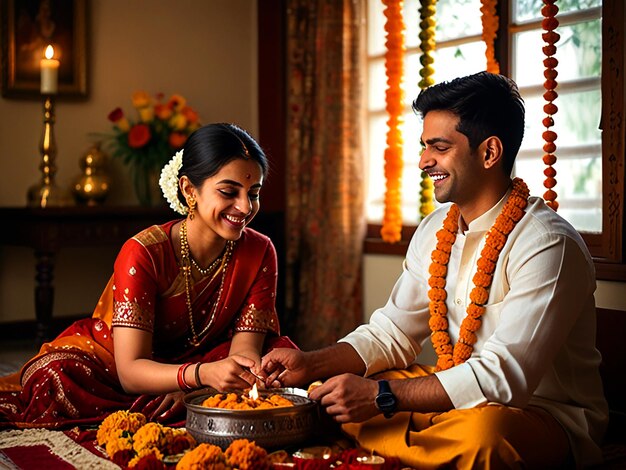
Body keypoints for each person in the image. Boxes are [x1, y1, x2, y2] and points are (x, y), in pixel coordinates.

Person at [262, 72, 608, 468]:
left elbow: (503, 378)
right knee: (330, 394)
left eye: (439, 147)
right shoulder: (434, 228)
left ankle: (396, 448)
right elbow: (390, 333)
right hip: (451, 397)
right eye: (425, 146)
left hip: (539, 414)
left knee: (484, 437)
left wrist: (381, 397)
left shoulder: (546, 242)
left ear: (490, 152)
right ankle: (418, 449)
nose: (425, 161)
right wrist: (310, 363)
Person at [0, 123, 296, 428]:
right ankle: (181, 402)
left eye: (254, 193)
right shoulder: (144, 252)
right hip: (117, 369)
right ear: (189, 190)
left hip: (209, 363)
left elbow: (244, 353)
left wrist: (211, 383)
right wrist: (199, 377)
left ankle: (189, 401)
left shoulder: (260, 251)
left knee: (281, 357)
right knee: (55, 379)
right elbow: (129, 372)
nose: (245, 207)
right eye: (229, 192)